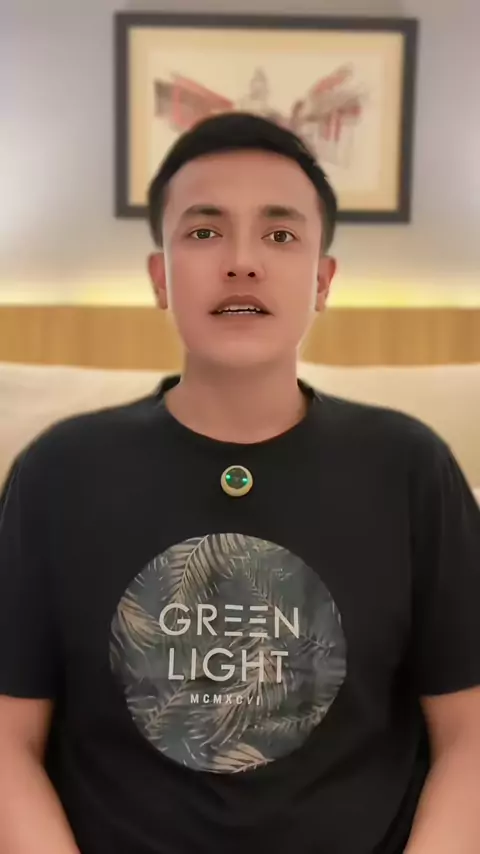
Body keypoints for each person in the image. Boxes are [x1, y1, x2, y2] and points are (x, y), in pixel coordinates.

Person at [0, 112, 480, 854]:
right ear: (161, 277)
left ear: (322, 280)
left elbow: (469, 731)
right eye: (204, 231)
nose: (243, 262)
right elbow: (9, 740)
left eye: (280, 234)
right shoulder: (57, 473)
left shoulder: (410, 467)